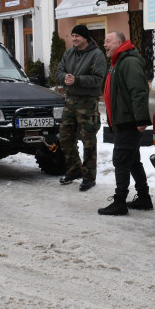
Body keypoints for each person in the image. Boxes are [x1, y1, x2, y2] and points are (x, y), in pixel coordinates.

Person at [99, 31, 153, 215]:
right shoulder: (118, 61)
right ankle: (144, 198)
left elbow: (139, 91)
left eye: (108, 41)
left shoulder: (128, 61)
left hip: (129, 121)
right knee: (132, 161)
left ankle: (120, 202)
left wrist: (141, 119)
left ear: (120, 42)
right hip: (123, 119)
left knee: (121, 160)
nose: (104, 44)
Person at [55, 24, 106, 192]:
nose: (74, 39)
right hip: (70, 101)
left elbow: (98, 79)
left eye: (77, 36)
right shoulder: (69, 53)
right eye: (73, 35)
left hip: (87, 103)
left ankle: (89, 177)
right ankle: (74, 170)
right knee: (65, 137)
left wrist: (77, 80)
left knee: (88, 140)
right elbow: (59, 72)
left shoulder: (97, 55)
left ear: (85, 37)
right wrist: (65, 78)